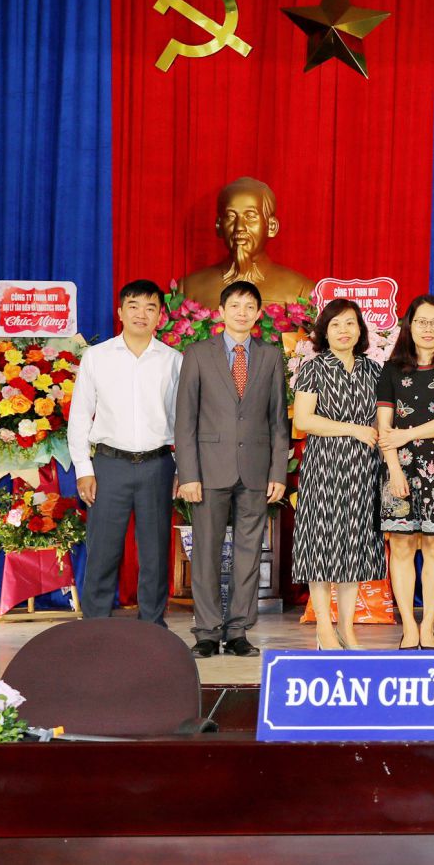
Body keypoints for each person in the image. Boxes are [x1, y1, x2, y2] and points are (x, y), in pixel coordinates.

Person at [174, 281, 291, 657]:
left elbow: (278, 420)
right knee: (206, 552)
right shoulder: (197, 354)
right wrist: (188, 474)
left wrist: (278, 472)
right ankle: (207, 631)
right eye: (235, 305)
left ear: (258, 314)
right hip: (208, 470)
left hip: (256, 470)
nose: (242, 312)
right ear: (221, 311)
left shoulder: (270, 355)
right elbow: (185, 419)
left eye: (249, 306)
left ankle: (239, 630)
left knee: (248, 552)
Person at [68, 279, 181, 627]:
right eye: (133, 306)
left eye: (150, 308)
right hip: (109, 466)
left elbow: (181, 420)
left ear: (160, 316)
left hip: (157, 465)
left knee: (155, 553)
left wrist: (182, 469)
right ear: (120, 312)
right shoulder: (97, 357)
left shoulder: (172, 360)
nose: (141, 314)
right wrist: (84, 469)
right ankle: (96, 626)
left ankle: (152, 626)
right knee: (102, 550)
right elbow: (79, 416)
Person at [376, 295, 434, 650]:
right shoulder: (391, 369)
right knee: (401, 547)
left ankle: (428, 626)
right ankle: (408, 627)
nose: (428, 329)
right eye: (421, 321)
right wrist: (393, 469)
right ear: (409, 326)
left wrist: (408, 434)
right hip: (397, 468)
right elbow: (384, 427)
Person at [292, 298, 385, 651]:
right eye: (335, 324)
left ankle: (346, 629)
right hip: (324, 467)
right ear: (324, 332)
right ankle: (324, 629)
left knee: (353, 549)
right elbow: (304, 420)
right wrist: (353, 429)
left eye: (350, 323)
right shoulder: (313, 368)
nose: (343, 331)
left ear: (360, 329)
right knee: (322, 547)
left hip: (363, 470)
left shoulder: (374, 370)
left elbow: (382, 421)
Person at [180, 177, 316, 309]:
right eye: (231, 216)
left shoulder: (301, 291)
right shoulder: (188, 289)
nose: (239, 227)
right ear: (219, 226)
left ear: (271, 227)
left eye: (250, 216)